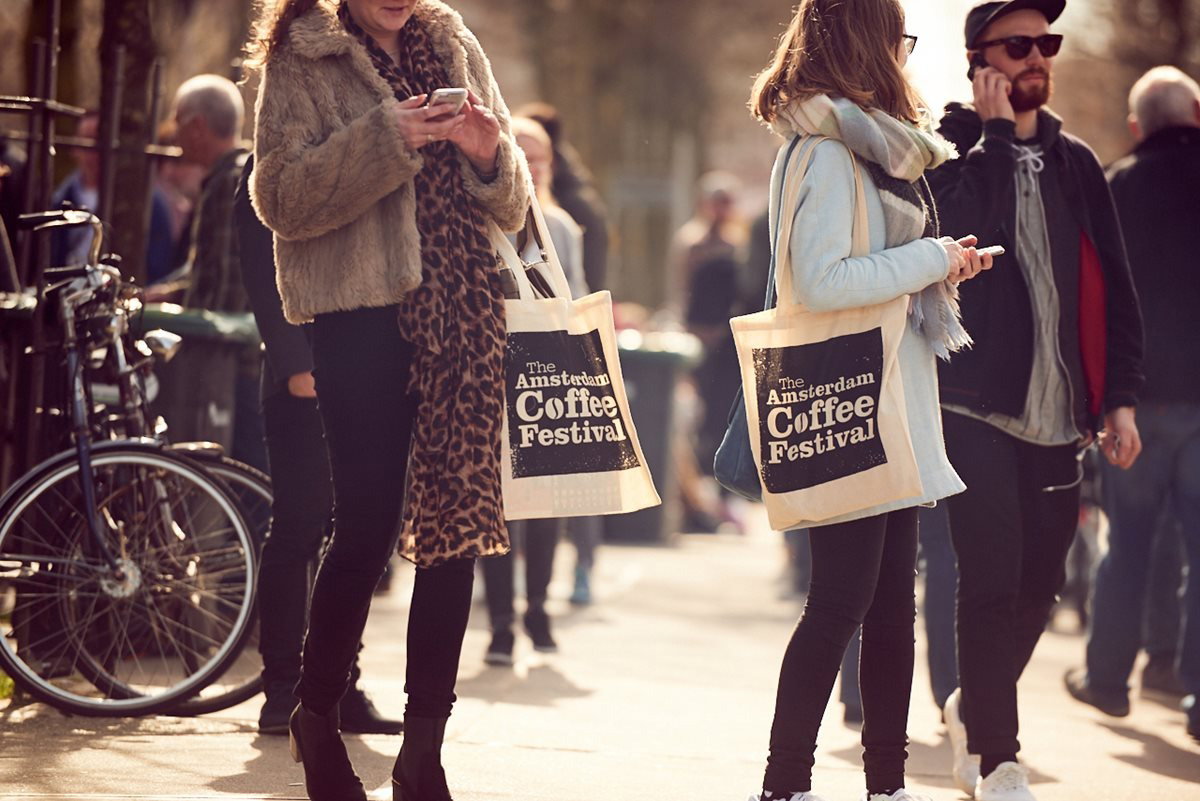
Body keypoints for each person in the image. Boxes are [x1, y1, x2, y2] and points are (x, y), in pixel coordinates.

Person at [247, 0, 529, 798]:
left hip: (465, 317)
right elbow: (279, 198)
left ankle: (424, 751)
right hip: (359, 318)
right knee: (365, 527)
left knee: (455, 531)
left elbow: (514, 198)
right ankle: (314, 713)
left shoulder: (452, 40)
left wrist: (485, 153)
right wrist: (387, 139)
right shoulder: (302, 54)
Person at [744, 1, 991, 799]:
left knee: (889, 609)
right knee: (841, 602)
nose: (906, 55)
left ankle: (885, 784)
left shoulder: (872, 150)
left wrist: (940, 266)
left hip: (886, 402)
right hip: (850, 404)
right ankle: (784, 784)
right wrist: (926, 257)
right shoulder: (824, 153)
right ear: (869, 42)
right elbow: (820, 283)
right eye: (900, 38)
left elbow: (865, 270)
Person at [926, 2, 1145, 798]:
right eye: (1018, 47)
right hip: (975, 403)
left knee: (1040, 587)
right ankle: (997, 756)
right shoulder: (947, 151)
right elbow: (958, 240)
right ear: (979, 61)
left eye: (1046, 44)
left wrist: (1118, 398)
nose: (1036, 59)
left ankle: (971, 704)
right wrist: (988, 140)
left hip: (1062, 414)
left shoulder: (1078, 161)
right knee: (987, 579)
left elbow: (1116, 285)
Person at [234, 153, 403, 737]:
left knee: (356, 536)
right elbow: (260, 262)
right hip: (303, 380)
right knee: (300, 528)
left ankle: (337, 688)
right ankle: (282, 690)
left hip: (365, 374)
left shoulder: (365, 146)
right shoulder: (277, 151)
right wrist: (294, 364)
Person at [1063, 66, 1200, 744]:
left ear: (1137, 126)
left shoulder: (1117, 186)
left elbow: (1095, 299)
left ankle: (1108, 676)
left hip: (1136, 399)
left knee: (1132, 540)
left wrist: (1099, 394)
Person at [480, 116, 573, 666]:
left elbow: (581, 294)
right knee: (499, 506)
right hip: (493, 379)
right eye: (521, 152)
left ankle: (537, 607)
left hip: (548, 380)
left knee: (546, 506)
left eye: (539, 155)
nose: (531, 163)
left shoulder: (561, 228)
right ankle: (500, 623)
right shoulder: (482, 218)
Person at [50, 112, 173, 280]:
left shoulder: (148, 203)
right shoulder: (59, 200)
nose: (93, 149)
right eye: (86, 140)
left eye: (99, 139)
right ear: (74, 147)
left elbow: (158, 267)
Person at [515, 101, 610, 294]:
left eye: (544, 160)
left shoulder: (562, 223)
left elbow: (578, 293)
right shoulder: (485, 224)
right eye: (529, 159)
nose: (539, 169)